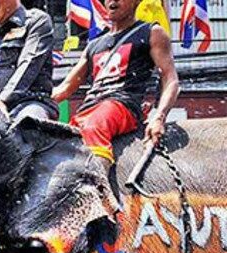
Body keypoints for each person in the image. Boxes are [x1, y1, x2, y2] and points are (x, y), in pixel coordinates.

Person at [52, 0, 180, 170]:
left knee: (94, 127)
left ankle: (97, 191)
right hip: (89, 110)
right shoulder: (94, 45)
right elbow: (65, 88)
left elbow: (171, 79)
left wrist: (159, 117)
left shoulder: (151, 32)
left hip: (122, 105)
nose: (112, 1)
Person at [0, 0, 57, 120]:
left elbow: (29, 64)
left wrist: (3, 100)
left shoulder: (36, 21)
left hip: (29, 104)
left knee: (27, 124)